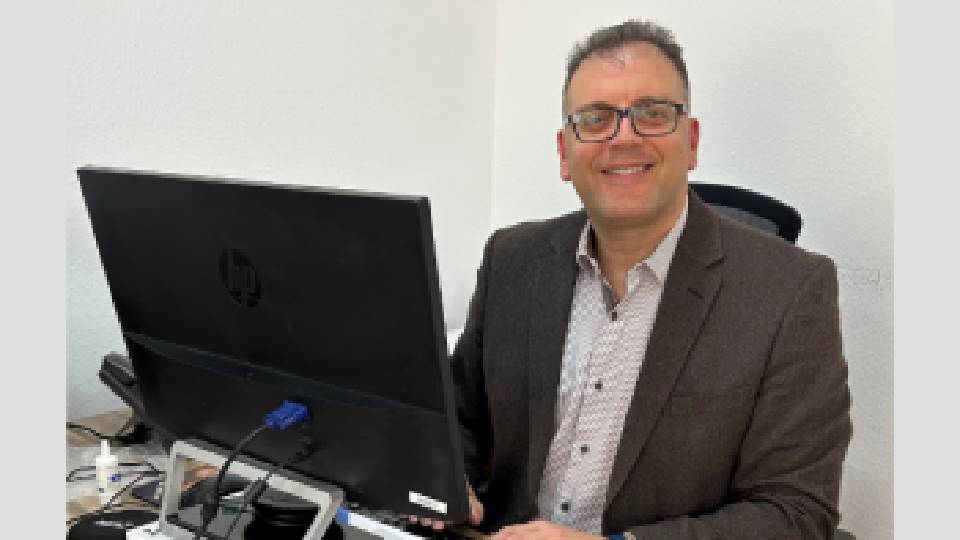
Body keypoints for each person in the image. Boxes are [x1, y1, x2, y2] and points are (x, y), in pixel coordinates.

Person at [424, 20, 851, 540]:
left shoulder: (790, 292)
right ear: (564, 153)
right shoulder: (512, 260)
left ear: (691, 142)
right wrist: (444, 478)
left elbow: (796, 511)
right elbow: (458, 419)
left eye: (653, 113)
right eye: (595, 118)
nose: (624, 137)